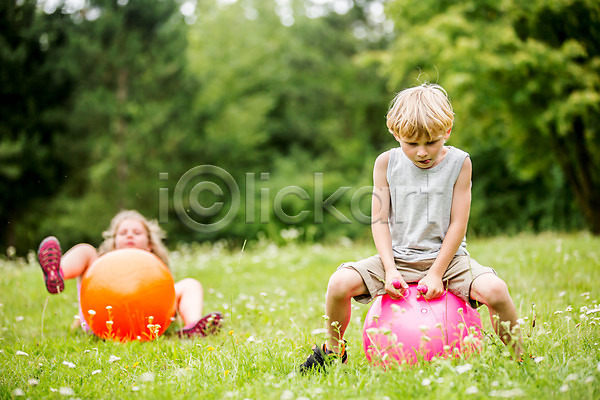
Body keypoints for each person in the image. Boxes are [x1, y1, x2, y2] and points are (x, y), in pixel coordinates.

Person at [300, 83, 523, 372]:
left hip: (449, 260)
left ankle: (521, 358)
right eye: (411, 143)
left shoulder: (460, 163)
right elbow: (379, 221)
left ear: (448, 130)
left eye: (431, 142)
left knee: (496, 290)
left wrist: (436, 273)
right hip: (398, 258)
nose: (421, 152)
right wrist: (390, 269)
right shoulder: (386, 163)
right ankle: (332, 350)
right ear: (395, 134)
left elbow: (458, 224)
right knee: (338, 283)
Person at [37, 209, 222, 338]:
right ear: (114, 242)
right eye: (123, 232)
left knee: (190, 284)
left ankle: (193, 326)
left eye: (137, 232)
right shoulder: (99, 265)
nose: (129, 235)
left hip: (149, 323)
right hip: (101, 322)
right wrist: (77, 323)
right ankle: (56, 274)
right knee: (86, 250)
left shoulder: (157, 271)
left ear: (149, 244)